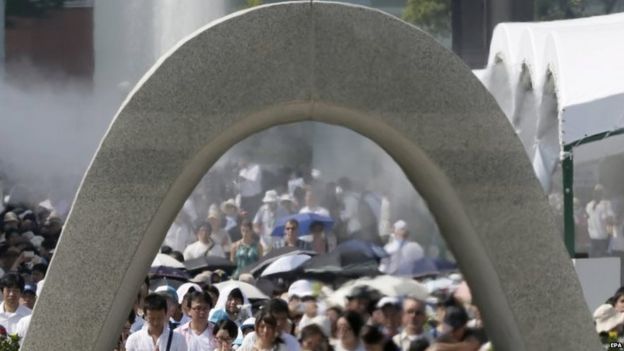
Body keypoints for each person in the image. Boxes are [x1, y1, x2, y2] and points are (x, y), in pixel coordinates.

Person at [586, 184, 615, 258]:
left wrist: (610, 237)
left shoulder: (606, 204)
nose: (596, 193)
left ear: (602, 193)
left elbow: (610, 221)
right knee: (591, 261)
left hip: (603, 238)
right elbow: (587, 220)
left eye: (599, 192)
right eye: (595, 191)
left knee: (603, 260)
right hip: (592, 238)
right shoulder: (589, 205)